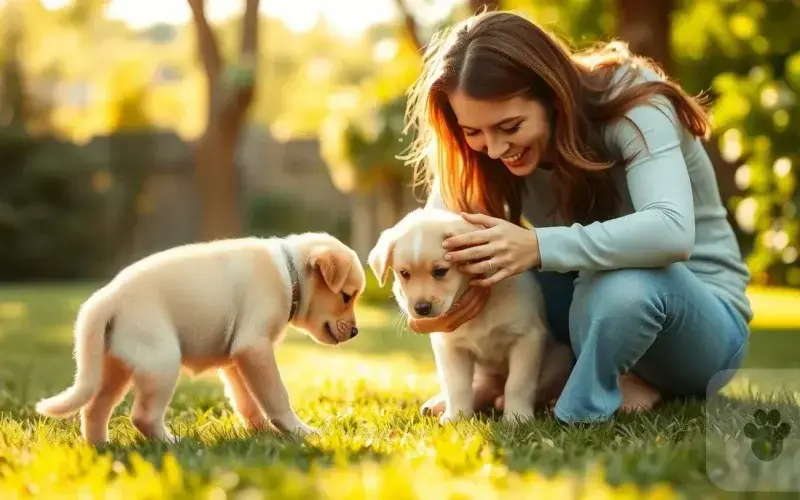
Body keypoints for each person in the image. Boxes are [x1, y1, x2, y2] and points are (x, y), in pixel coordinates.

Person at [400, 10, 752, 424]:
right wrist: (432, 300)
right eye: (473, 133)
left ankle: (581, 403)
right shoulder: (486, 154)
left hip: (695, 324)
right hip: (587, 308)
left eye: (510, 126)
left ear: (552, 94)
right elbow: (429, 235)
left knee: (624, 286)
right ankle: (503, 383)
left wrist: (537, 246)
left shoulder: (635, 103)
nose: (494, 149)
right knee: (500, 265)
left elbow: (671, 231)